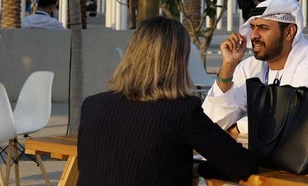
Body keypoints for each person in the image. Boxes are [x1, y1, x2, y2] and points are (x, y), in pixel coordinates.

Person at [79, 16, 256, 185]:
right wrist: (198, 169)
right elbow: (241, 164)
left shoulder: (92, 105)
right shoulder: (182, 111)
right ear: (179, 62)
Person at [203, 0, 308, 147]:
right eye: (253, 27)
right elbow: (209, 121)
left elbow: (287, 123)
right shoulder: (251, 67)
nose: (254, 35)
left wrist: (236, 128)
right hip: (272, 152)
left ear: (289, 32)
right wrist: (228, 66)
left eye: (263, 28)